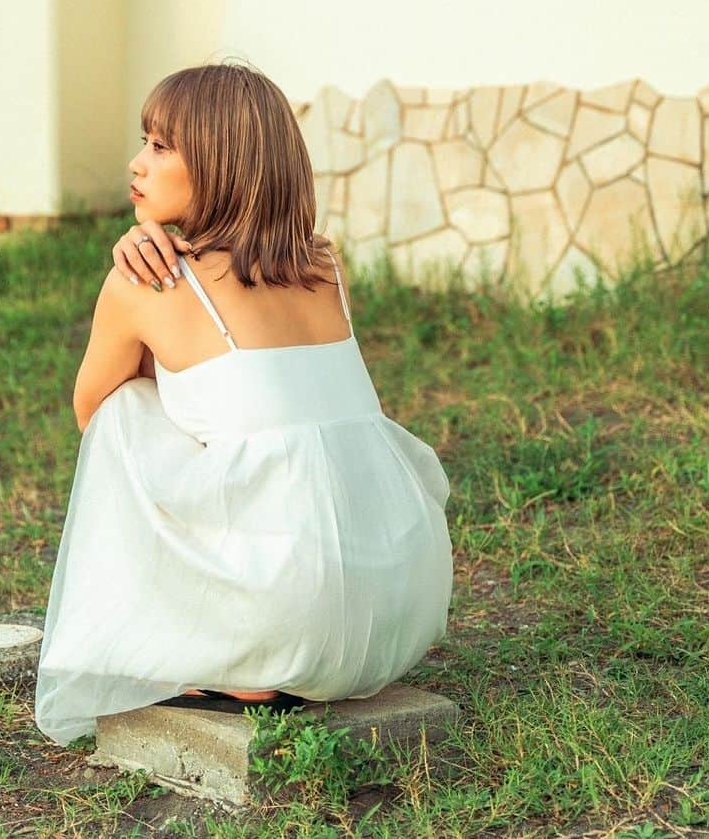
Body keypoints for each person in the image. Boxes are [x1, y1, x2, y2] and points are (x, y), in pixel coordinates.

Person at [33, 61, 453, 746]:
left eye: (161, 147)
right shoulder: (322, 264)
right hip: (399, 608)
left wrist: (142, 259)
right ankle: (264, 633)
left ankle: (239, 651)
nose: (137, 164)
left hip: (291, 620)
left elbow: (95, 422)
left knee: (123, 407)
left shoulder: (141, 285)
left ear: (223, 165)